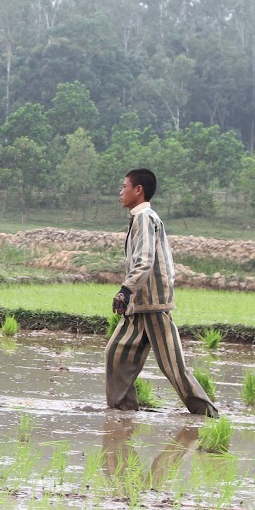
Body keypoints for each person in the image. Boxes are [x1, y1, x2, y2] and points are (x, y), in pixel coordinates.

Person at [105, 168, 217, 416]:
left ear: (138, 190)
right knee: (116, 355)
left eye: (124, 187)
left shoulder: (145, 218)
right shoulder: (138, 218)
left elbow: (145, 260)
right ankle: (122, 413)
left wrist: (125, 289)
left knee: (173, 367)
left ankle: (207, 414)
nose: (120, 192)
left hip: (153, 305)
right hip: (139, 306)